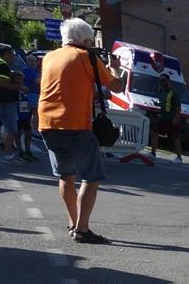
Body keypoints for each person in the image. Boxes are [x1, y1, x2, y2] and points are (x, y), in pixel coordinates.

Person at [37, 18, 125, 244]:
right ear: (85, 40)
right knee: (91, 177)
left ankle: (72, 222)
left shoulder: (49, 57)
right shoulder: (86, 57)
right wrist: (115, 69)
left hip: (47, 123)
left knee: (65, 175)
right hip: (75, 124)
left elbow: (67, 85)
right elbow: (117, 87)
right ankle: (82, 229)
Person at [0, 47, 22, 165]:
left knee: (9, 128)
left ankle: (9, 153)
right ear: (6, 54)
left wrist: (12, 75)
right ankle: (8, 156)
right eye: (12, 55)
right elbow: (3, 84)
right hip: (5, 101)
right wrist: (20, 87)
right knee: (10, 129)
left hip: (0, 100)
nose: (13, 57)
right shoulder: (3, 65)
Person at [150, 72, 183, 162]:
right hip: (163, 118)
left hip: (171, 119)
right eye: (160, 81)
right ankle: (153, 153)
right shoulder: (162, 91)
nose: (161, 82)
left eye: (163, 80)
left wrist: (176, 118)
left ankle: (179, 157)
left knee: (174, 137)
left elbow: (178, 106)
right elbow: (164, 102)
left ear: (168, 80)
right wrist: (158, 104)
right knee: (154, 132)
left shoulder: (173, 92)